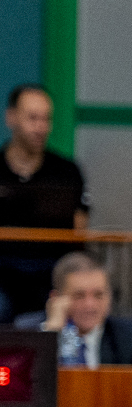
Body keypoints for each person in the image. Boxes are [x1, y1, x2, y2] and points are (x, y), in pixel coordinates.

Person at [0, 85, 89, 323]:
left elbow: (80, 230)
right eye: (32, 118)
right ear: (11, 117)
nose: (40, 127)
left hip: (52, 271)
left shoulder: (67, 171)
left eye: (46, 119)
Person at [15, 252, 132, 366]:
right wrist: (52, 331)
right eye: (79, 296)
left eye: (98, 295)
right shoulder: (26, 329)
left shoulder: (129, 333)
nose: (90, 305)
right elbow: (19, 377)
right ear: (56, 298)